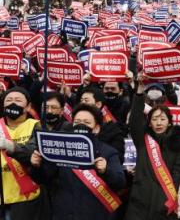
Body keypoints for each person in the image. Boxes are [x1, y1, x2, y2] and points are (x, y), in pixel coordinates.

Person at [30, 104, 126, 220]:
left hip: (96, 214)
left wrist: (105, 171)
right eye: (77, 122)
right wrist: (37, 166)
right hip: (64, 214)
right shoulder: (61, 149)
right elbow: (44, 178)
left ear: (96, 128)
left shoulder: (108, 152)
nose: (81, 125)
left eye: (86, 122)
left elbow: (120, 183)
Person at [125, 73, 180, 220]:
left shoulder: (177, 146)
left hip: (164, 206)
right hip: (138, 205)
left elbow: (177, 175)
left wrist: (165, 201)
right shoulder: (143, 141)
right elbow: (135, 119)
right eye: (154, 119)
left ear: (170, 122)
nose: (159, 123)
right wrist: (140, 89)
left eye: (162, 119)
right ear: (149, 123)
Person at [0, 87, 48, 220]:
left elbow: (33, 151)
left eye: (18, 100)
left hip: (26, 197)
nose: (12, 103)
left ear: (28, 107)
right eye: (8, 100)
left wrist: (11, 146)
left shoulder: (37, 126)